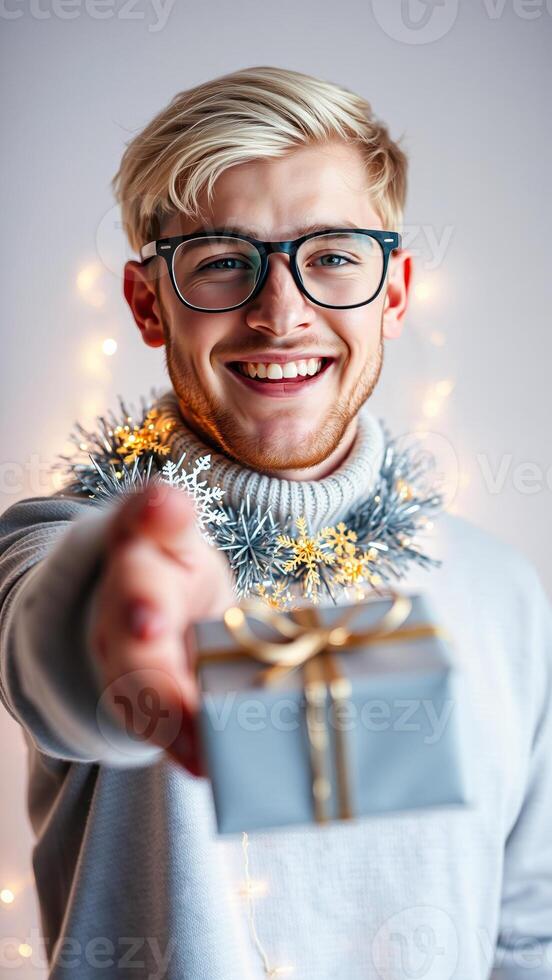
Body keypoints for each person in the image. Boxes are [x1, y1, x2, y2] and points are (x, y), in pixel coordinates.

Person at [1, 65, 551, 980]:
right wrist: (120, 607)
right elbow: (50, 659)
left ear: (396, 292)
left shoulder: (500, 590)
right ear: (148, 304)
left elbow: (530, 937)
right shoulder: (59, 545)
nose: (281, 312)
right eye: (223, 261)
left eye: (333, 255)